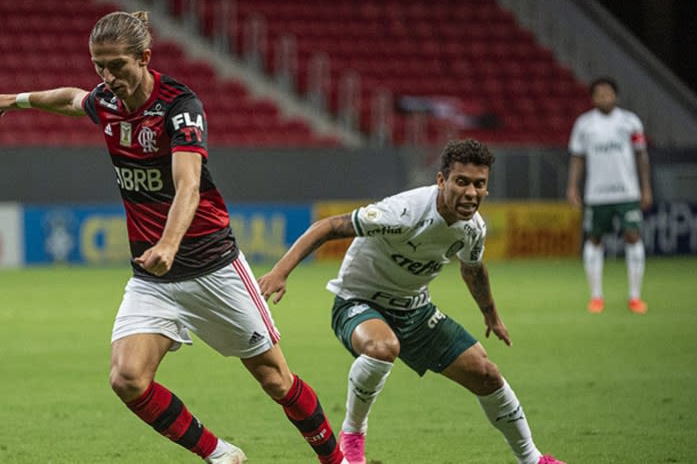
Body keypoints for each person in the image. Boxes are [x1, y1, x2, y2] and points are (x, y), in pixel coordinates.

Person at [0, 11, 345, 464]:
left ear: (145, 58)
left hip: (212, 267)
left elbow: (188, 184)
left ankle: (336, 460)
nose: (106, 78)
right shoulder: (106, 102)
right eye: (98, 67)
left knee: (276, 381)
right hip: (152, 276)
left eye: (116, 66)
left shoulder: (179, 106)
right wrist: (17, 100)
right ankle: (221, 454)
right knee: (127, 378)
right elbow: (71, 99)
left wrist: (169, 244)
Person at [258, 139, 565, 464]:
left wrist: (491, 316)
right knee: (381, 348)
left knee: (487, 374)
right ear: (442, 180)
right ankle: (353, 436)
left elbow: (472, 269)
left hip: (416, 310)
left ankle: (532, 459)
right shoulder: (402, 213)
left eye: (479, 184)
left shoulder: (473, 229)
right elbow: (328, 226)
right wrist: (281, 271)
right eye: (462, 182)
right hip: (359, 301)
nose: (471, 193)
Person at [566, 77, 652, 315]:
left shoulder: (630, 121)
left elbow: (641, 155)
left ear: (616, 95)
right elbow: (577, 157)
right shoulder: (584, 124)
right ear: (592, 98)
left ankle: (635, 297)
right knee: (594, 239)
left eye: (608, 93)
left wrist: (646, 187)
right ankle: (596, 297)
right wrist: (573, 186)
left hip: (627, 192)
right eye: (599, 93)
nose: (604, 97)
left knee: (633, 236)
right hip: (597, 194)